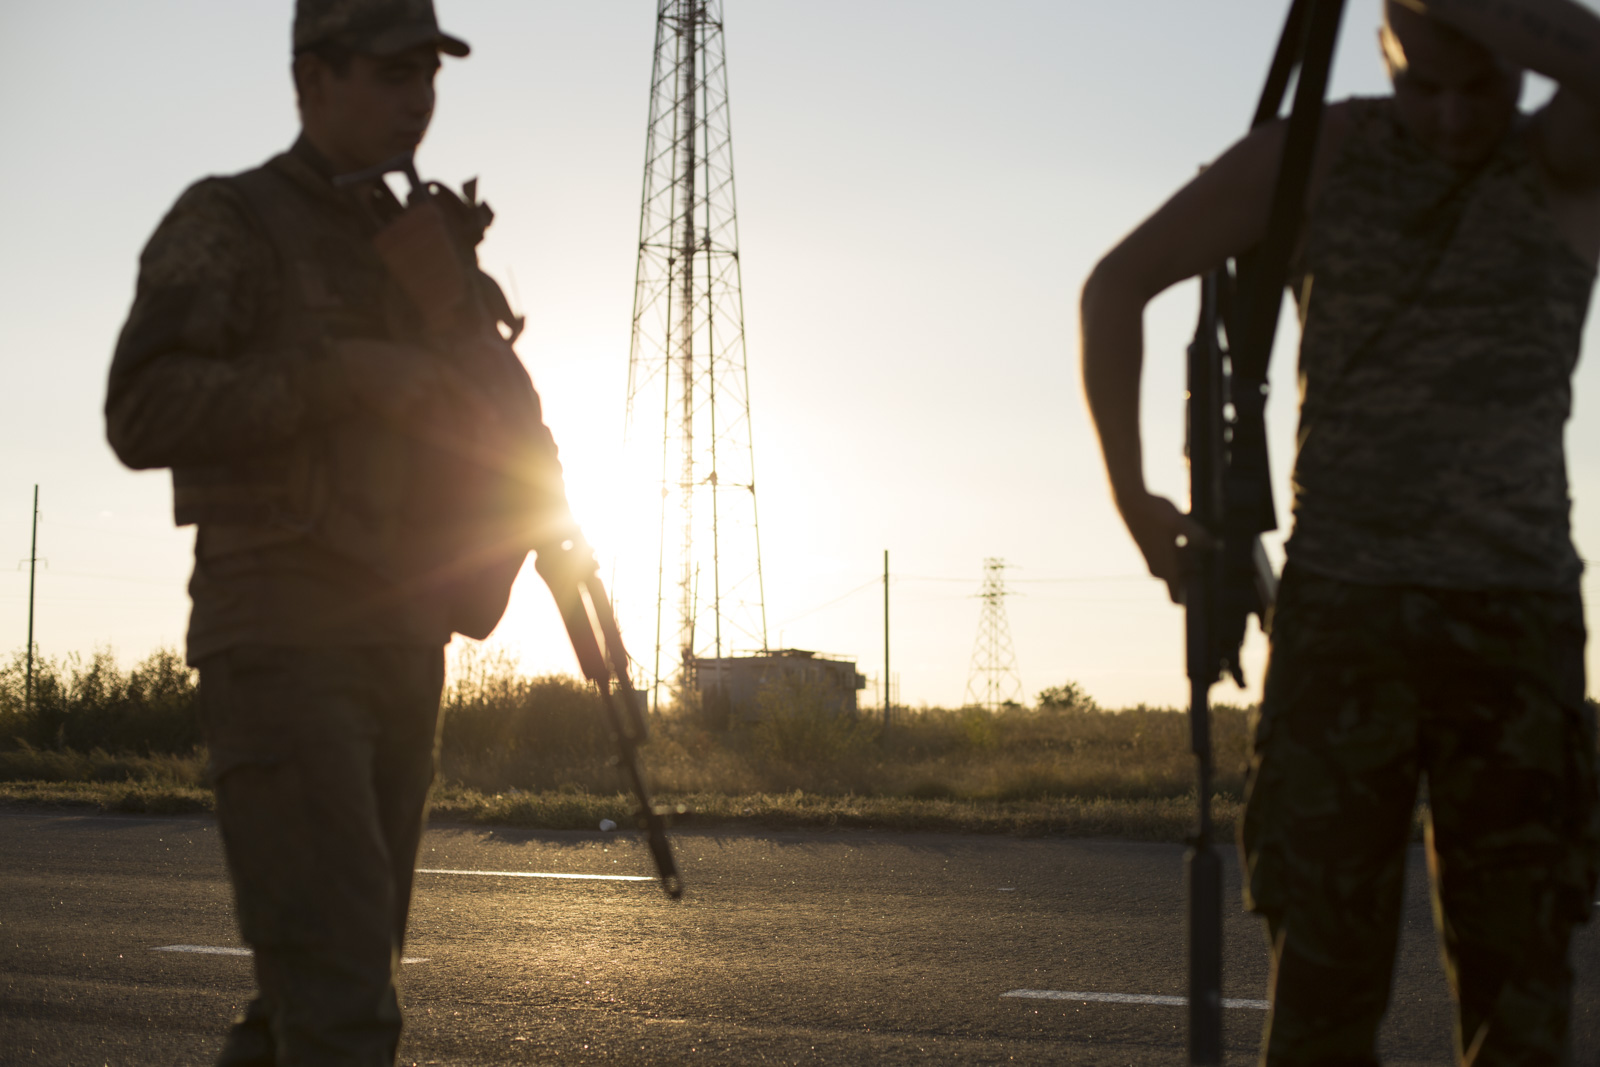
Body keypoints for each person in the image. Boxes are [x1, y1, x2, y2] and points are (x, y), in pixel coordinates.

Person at [1081, 1, 1600, 1063]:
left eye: (1480, 86)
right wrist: (1134, 504)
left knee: (1524, 985)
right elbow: (1117, 284)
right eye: (1423, 85)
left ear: (1514, 67)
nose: (1453, 116)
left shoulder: (1560, 156)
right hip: (1344, 616)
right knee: (1321, 975)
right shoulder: (1320, 152)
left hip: (1514, 622)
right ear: (1383, 54)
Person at [105, 1, 571, 1062]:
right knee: (340, 1001)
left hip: (403, 640)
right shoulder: (233, 222)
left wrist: (457, 321)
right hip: (283, 633)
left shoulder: (419, 241)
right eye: (391, 71)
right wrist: (340, 377)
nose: (418, 97)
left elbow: (504, 419)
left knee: (316, 994)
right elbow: (142, 411)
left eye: (430, 74)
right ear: (314, 78)